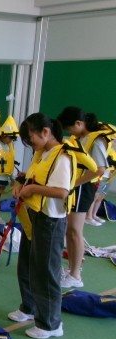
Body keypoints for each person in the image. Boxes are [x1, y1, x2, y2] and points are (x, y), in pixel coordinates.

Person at [8, 113, 74, 339]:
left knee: (45, 271)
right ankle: (29, 307)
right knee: (27, 264)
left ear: (45, 132)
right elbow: (34, 178)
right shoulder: (42, 153)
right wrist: (21, 186)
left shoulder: (62, 156)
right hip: (33, 215)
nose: (30, 143)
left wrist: (32, 189)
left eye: (31, 138)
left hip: (50, 221)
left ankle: (50, 324)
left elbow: (62, 191)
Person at [56, 107, 110, 288]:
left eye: (69, 128)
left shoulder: (96, 141)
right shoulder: (80, 138)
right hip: (76, 187)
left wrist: (74, 184)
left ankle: (75, 275)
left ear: (79, 123)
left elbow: (100, 169)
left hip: (83, 188)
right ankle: (71, 269)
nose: (69, 132)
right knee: (70, 231)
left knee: (75, 231)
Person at [87, 139, 115, 224]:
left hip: (108, 177)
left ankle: (94, 214)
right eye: (113, 141)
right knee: (95, 197)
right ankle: (88, 216)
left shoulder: (113, 152)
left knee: (100, 197)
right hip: (100, 177)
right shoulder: (101, 150)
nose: (113, 143)